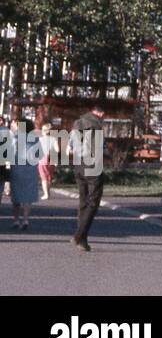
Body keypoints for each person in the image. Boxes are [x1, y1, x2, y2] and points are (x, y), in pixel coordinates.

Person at [71, 105, 106, 251]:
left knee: (83, 201)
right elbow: (99, 146)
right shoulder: (97, 124)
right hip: (92, 164)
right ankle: (79, 235)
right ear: (100, 112)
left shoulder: (78, 122)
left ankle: (83, 239)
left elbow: (71, 145)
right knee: (93, 201)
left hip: (79, 163)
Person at [10, 118, 41, 230]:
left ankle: (16, 220)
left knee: (16, 196)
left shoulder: (15, 138)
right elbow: (40, 154)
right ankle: (26, 219)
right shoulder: (35, 139)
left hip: (17, 168)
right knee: (27, 197)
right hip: (31, 169)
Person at [37, 122, 55, 201]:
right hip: (51, 159)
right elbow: (57, 150)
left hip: (42, 160)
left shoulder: (40, 139)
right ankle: (48, 192)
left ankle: (46, 194)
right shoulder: (53, 139)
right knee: (49, 177)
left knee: (44, 178)